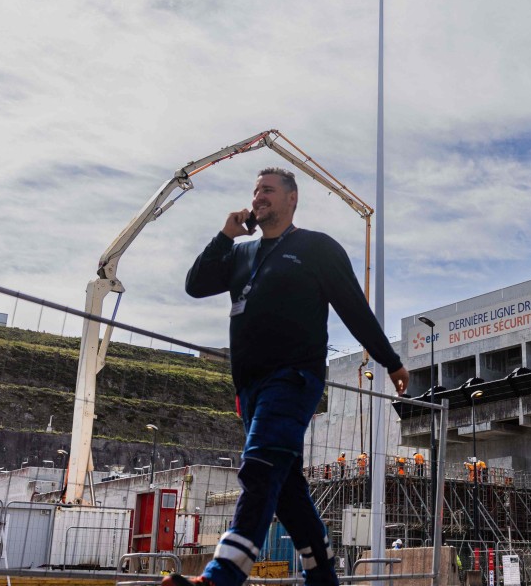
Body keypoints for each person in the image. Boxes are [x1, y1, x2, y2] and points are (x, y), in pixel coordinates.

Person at [169, 167, 409, 586]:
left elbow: (354, 307)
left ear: (292, 199)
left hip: (294, 377)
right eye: (255, 189)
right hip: (250, 387)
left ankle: (222, 575)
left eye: (268, 190)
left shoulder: (317, 248)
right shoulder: (241, 253)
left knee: (260, 466)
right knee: (286, 488)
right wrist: (225, 236)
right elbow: (195, 285)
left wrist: (391, 360)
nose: (258, 196)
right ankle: (323, 577)